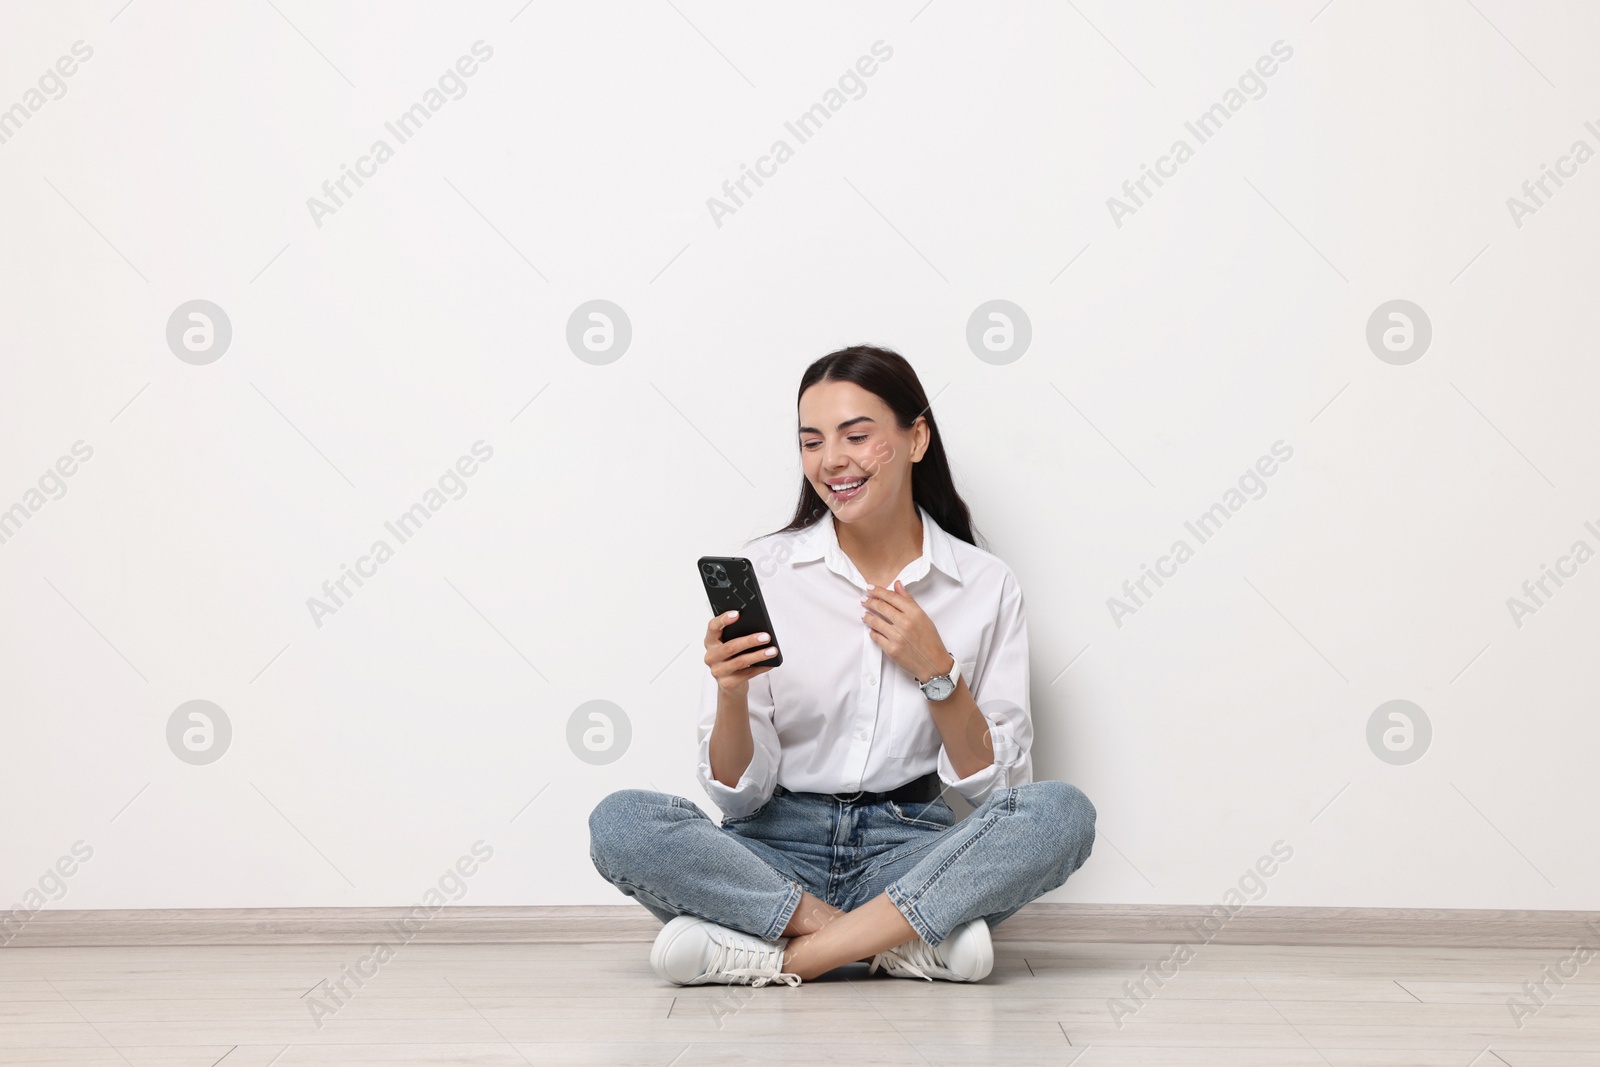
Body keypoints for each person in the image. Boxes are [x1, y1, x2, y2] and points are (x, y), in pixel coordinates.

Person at [588, 344, 1096, 987]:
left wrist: (938, 674)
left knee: (1060, 814)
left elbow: (995, 790)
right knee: (621, 820)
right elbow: (736, 794)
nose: (831, 461)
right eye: (811, 442)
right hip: (773, 850)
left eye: (856, 435)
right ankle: (901, 943)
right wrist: (731, 694)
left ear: (916, 439)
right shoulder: (770, 573)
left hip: (911, 850)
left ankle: (779, 956)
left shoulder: (984, 585)